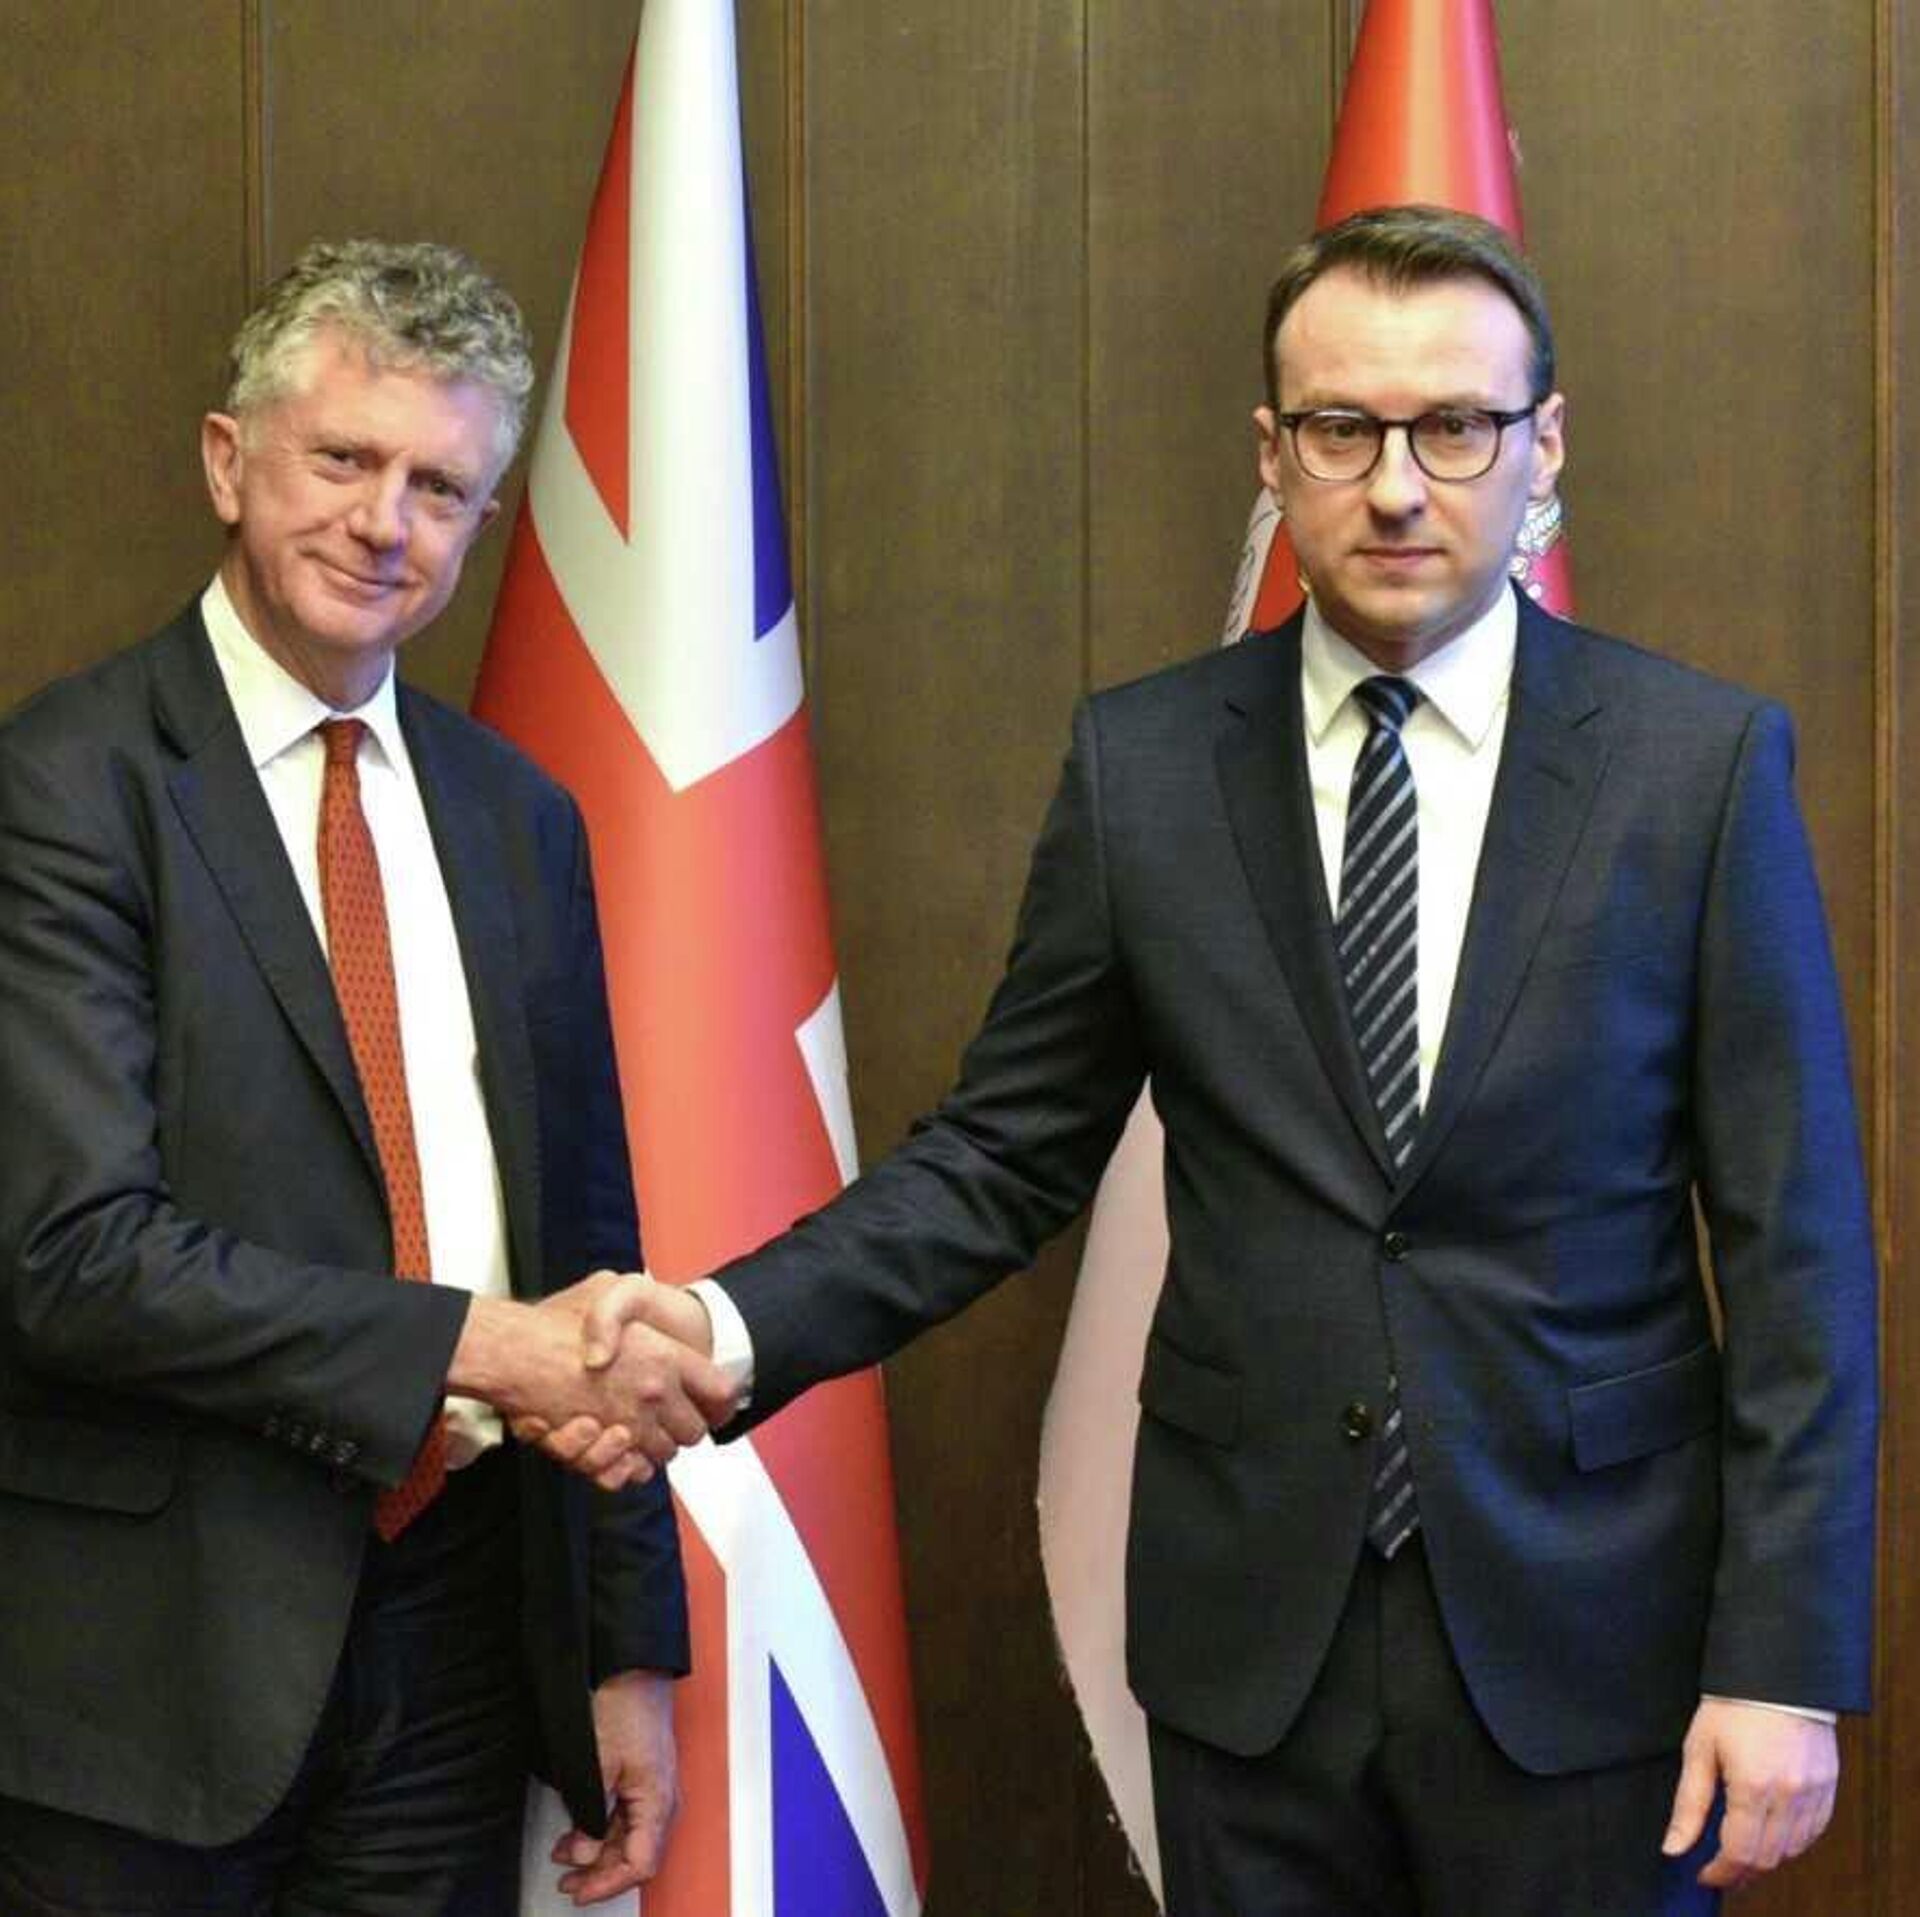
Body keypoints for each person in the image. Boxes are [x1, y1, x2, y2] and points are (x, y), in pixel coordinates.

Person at [549, 205, 1880, 1914]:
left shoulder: (1698, 767)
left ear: (1543, 444)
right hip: (1256, 1648)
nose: (1395, 487)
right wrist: (730, 1326)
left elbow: (1795, 1252)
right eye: (1341, 429)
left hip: (1595, 1640)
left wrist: (1782, 1658)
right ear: (1272, 451)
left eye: (1454, 426)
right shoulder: (1149, 766)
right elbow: (1001, 1154)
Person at [0, 239, 733, 1917]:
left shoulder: (517, 815)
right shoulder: (65, 788)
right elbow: (73, 1256)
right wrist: (477, 1344)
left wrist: (622, 1647)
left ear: (482, 524)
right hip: (145, 1664)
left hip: (453, 1641)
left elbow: (587, 1245)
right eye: (342, 458)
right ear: (228, 461)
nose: (384, 521)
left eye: (439, 485)